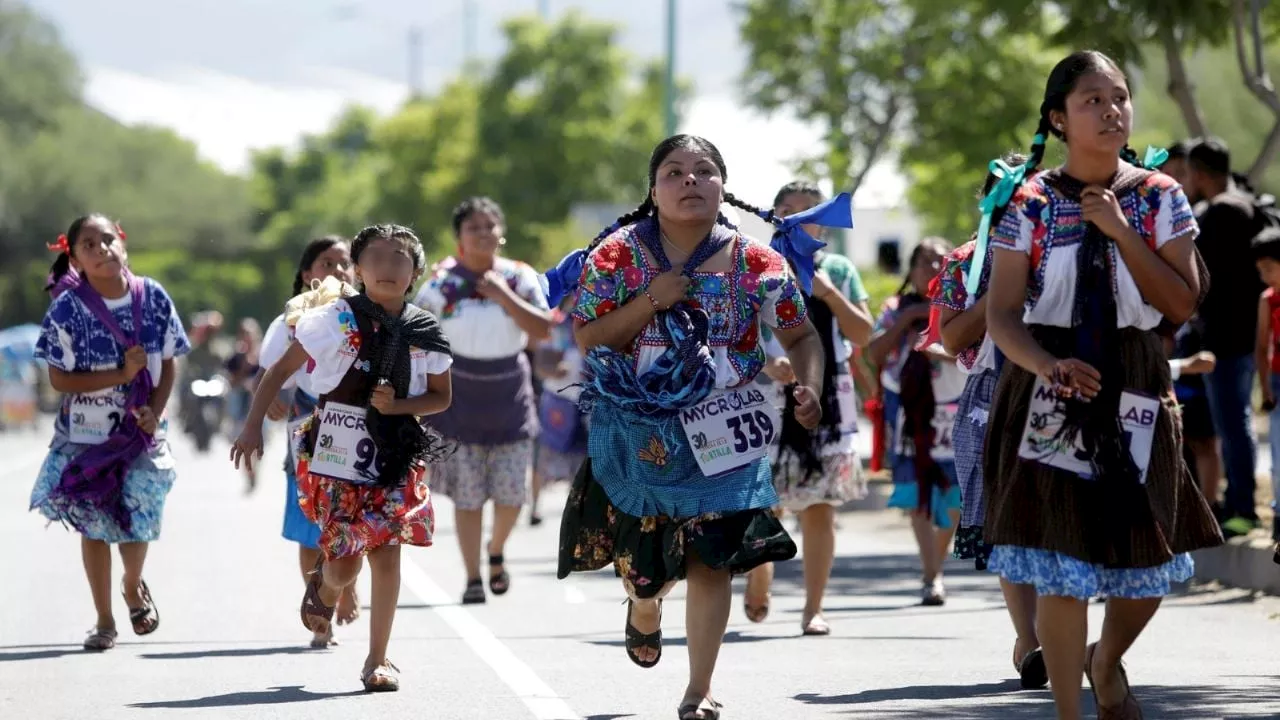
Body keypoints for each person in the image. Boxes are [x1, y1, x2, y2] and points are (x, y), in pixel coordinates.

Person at [552, 134, 834, 719]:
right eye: (675, 172)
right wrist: (650, 301)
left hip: (727, 431)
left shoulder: (760, 262)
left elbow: (802, 333)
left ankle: (699, 688)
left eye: (704, 172)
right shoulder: (617, 254)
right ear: (653, 190)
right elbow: (587, 336)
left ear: (722, 186)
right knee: (648, 570)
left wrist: (810, 386)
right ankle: (644, 604)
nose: (690, 182)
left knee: (713, 558)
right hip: (638, 429)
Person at [983, 50, 1223, 719]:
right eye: (1093, 100)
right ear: (1059, 118)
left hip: (1137, 378)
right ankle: (1067, 710)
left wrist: (1120, 231)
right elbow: (1002, 314)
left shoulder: (1158, 197)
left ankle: (1107, 658)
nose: (1112, 110)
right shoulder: (1026, 202)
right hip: (1053, 382)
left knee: (1149, 549)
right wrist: (1043, 366)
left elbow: (1181, 304)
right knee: (1063, 557)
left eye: (1120, 97)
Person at [231, 224, 454, 692]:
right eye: (376, 257)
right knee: (345, 565)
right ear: (358, 269)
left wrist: (400, 407)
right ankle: (327, 586)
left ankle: (379, 659)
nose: (388, 266)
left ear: (415, 273)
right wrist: (252, 426)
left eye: (400, 258)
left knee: (388, 554)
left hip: (397, 454)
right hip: (337, 454)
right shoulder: (335, 318)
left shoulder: (425, 330)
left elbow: (440, 397)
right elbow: (280, 370)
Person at [31, 214, 190, 651]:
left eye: (107, 239)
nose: (101, 248)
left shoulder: (152, 296)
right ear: (74, 258)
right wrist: (119, 373)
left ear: (123, 244)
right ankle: (104, 620)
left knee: (140, 517)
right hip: (85, 438)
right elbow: (60, 380)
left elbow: (171, 358)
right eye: (88, 244)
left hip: (140, 433)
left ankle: (133, 584)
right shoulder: (66, 308)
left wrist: (155, 412)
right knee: (94, 526)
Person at [922, 152, 1051, 687]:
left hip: (1056, 390)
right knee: (1006, 523)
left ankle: (1056, 631)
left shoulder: (1063, 250)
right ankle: (1029, 639)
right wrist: (1001, 283)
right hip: (990, 397)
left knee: (1054, 516)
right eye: (1008, 196)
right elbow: (951, 339)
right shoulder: (966, 261)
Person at [741, 180, 874, 636]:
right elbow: (733, 338)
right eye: (788, 210)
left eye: (808, 211)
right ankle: (761, 571)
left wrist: (828, 292)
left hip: (828, 400)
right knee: (765, 500)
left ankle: (813, 608)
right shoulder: (756, 269)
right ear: (773, 217)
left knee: (820, 510)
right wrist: (767, 362)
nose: (798, 219)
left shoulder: (838, 268)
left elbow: (863, 334)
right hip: (767, 398)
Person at [413, 197, 553, 604]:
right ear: (459, 237)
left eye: (490, 226)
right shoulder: (440, 285)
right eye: (473, 227)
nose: (483, 233)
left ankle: (497, 550)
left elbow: (542, 329)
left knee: (512, 493)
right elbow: (416, 339)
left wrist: (501, 295)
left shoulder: (520, 278)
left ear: (501, 233)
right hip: (459, 396)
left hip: (509, 391)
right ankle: (473, 576)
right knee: (468, 494)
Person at [257, 235, 359, 648]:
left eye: (344, 263)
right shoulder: (289, 320)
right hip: (305, 436)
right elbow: (270, 370)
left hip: (355, 435)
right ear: (306, 274)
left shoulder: (365, 314)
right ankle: (322, 607)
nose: (335, 270)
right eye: (325, 263)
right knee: (308, 529)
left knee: (352, 520)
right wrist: (271, 404)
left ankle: (345, 586)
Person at [867, 238, 964, 606]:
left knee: (955, 496)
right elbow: (874, 353)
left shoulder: (960, 305)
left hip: (953, 407)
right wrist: (908, 318)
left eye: (940, 261)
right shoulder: (895, 308)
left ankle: (935, 564)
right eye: (923, 262)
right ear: (910, 270)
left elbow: (978, 352)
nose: (932, 269)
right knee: (918, 491)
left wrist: (945, 350)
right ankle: (932, 575)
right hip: (909, 411)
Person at [1187, 137, 1265, 535]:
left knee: (1232, 424)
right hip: (1251, 334)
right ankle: (1240, 503)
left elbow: (1202, 279)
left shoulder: (1219, 214)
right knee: (1238, 422)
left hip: (1224, 341)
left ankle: (1241, 508)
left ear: (1199, 173)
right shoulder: (1249, 206)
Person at [529, 295, 588, 526]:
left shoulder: (599, 320)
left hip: (587, 402)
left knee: (583, 461)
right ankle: (534, 507)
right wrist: (554, 371)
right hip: (558, 402)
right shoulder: (557, 325)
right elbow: (542, 365)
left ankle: (578, 512)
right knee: (544, 455)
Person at [1253, 226, 1280, 543]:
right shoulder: (1268, 301)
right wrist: (1267, 390)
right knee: (1276, 453)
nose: (1265, 276)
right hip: (1277, 381)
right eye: (1260, 270)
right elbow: (1262, 348)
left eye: (1270, 269)